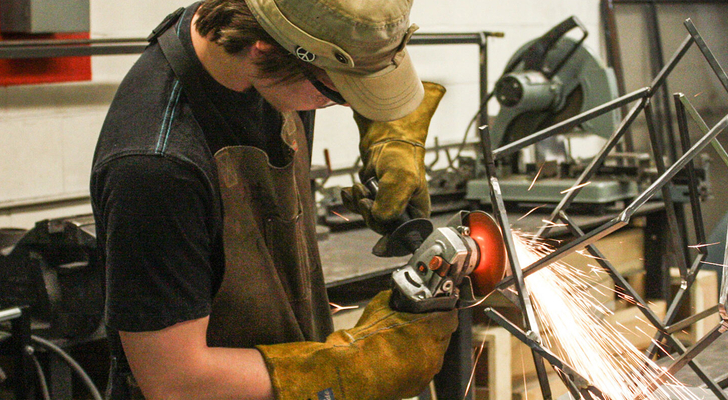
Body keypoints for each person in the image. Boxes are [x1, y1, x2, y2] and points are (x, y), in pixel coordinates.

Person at [89, 0, 456, 398]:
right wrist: (358, 365)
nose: (346, 103)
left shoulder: (266, 36)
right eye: (339, 91)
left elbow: (349, 31)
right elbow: (176, 382)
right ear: (265, 51)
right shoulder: (155, 168)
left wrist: (391, 135)